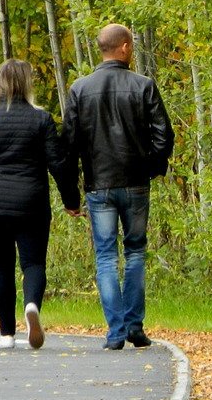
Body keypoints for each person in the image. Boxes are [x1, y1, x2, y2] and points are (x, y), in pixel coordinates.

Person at [63, 24, 175, 350]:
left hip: (99, 185)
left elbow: (68, 146)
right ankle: (134, 326)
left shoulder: (80, 90)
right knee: (136, 251)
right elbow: (163, 135)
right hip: (136, 182)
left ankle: (115, 332)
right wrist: (153, 166)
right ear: (124, 47)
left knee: (106, 256)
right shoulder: (143, 86)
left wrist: (72, 193)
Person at [0, 59, 79, 350]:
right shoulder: (41, 120)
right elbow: (58, 164)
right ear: (27, 85)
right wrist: (71, 201)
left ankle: (6, 334)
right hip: (31, 201)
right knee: (33, 262)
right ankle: (32, 306)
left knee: (2, 265)